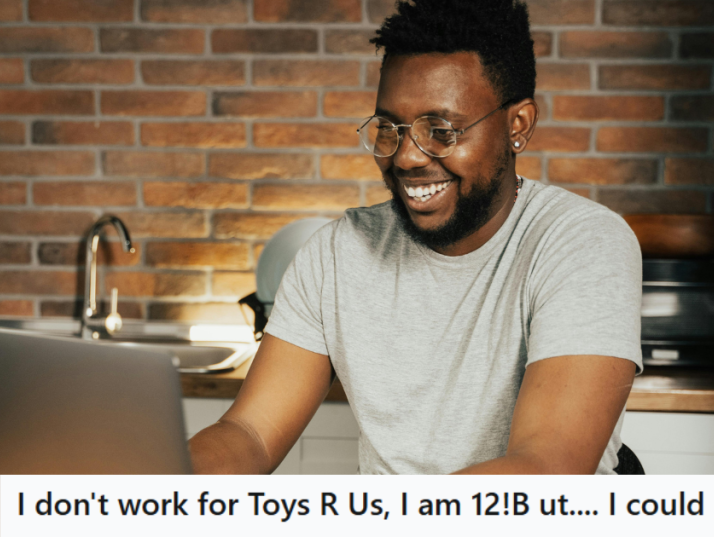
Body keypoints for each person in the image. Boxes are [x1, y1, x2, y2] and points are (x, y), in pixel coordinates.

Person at [188, 0, 642, 475]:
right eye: (390, 129)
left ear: (518, 126)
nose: (406, 157)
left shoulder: (583, 244)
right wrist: (157, 484)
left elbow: (545, 469)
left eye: (441, 131)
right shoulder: (336, 254)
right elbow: (250, 434)